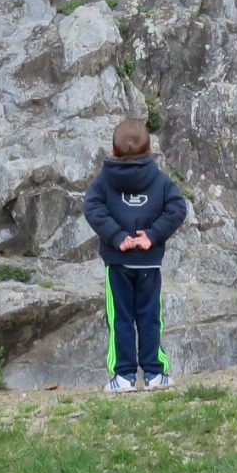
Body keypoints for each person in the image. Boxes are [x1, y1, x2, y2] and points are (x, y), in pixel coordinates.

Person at [83, 117, 188, 392]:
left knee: (120, 319)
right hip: (149, 264)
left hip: (118, 264)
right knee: (150, 317)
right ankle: (155, 373)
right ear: (150, 149)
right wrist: (152, 235)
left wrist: (117, 237)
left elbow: (92, 207)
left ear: (113, 150)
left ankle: (124, 377)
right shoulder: (159, 179)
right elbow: (177, 208)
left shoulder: (105, 179)